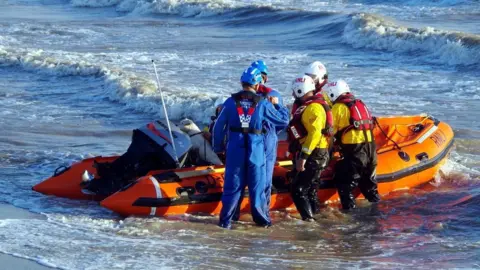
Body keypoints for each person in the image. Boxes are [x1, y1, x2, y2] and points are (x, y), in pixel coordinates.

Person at [212, 66, 289, 229]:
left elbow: (218, 126)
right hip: (256, 148)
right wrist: (278, 106)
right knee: (257, 186)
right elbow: (282, 121)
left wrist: (218, 147)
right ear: (257, 83)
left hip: (235, 147)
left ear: (242, 82)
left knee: (233, 185)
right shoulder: (262, 104)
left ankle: (227, 221)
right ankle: (262, 222)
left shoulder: (230, 102)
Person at [82, 120, 192, 196]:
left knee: (130, 161)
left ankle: (102, 178)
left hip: (152, 142)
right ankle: (105, 181)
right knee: (131, 163)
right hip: (156, 146)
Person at [323, 80, 380, 210]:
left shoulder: (338, 108)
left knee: (344, 184)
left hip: (356, 154)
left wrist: (328, 154)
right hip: (371, 151)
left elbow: (330, 134)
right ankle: (376, 211)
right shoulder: (360, 104)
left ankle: (351, 217)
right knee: (370, 187)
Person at [286, 75, 332, 221]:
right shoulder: (308, 106)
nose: (293, 94)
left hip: (314, 154)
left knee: (298, 190)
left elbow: (315, 134)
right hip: (313, 152)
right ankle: (316, 215)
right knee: (311, 190)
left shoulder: (314, 108)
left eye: (295, 91)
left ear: (301, 90)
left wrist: (303, 157)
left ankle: (309, 222)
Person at [250, 60, 287, 209]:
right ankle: (260, 209)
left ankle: (262, 209)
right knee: (260, 176)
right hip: (260, 138)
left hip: (260, 138)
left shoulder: (269, 95)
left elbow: (280, 122)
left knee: (261, 177)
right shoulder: (267, 95)